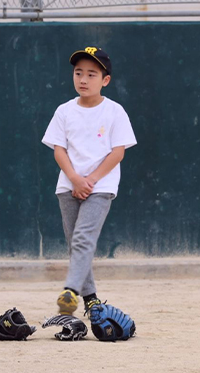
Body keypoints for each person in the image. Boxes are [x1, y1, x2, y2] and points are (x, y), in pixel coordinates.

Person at [41, 47, 137, 316]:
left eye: (91, 74)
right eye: (78, 73)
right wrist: (74, 179)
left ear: (105, 80)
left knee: (83, 239)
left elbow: (118, 152)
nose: (83, 79)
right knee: (76, 244)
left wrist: (91, 180)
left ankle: (71, 290)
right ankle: (92, 298)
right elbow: (58, 149)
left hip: (100, 187)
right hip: (68, 186)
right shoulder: (64, 111)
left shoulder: (115, 112)